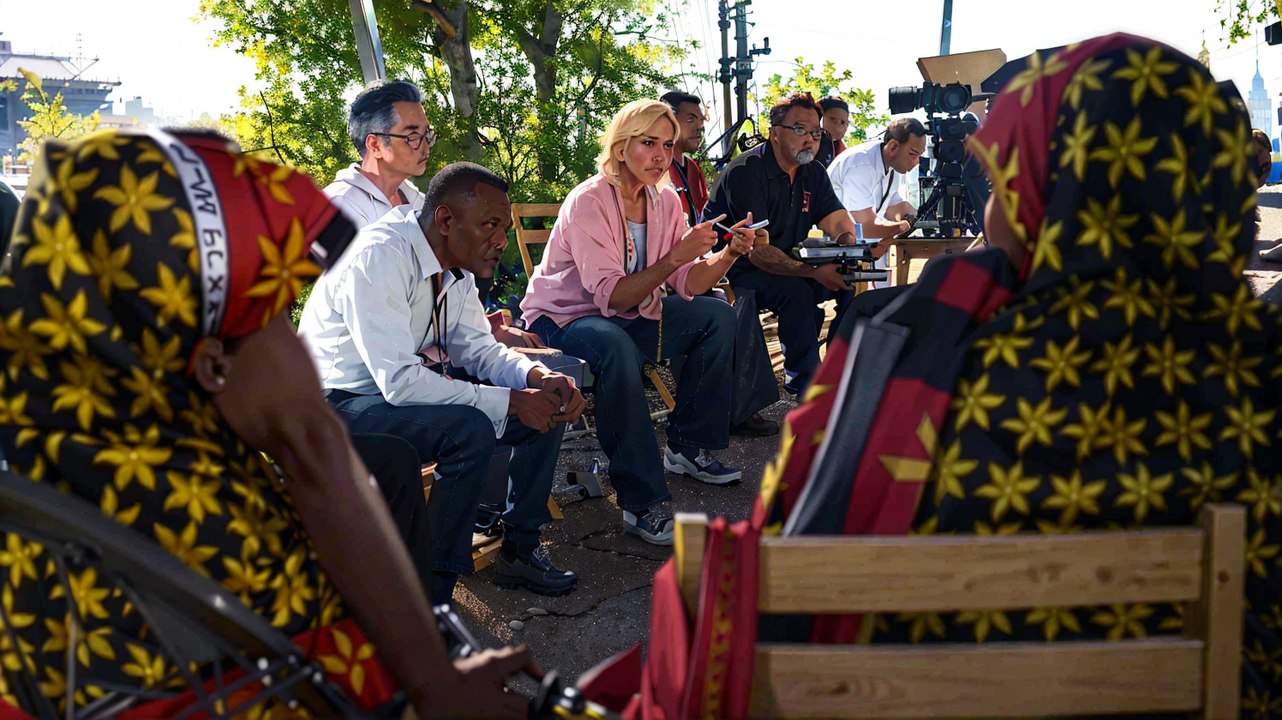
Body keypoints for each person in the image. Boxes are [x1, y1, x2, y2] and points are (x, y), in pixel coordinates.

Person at [612, 34, 1282, 717]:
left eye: (1003, 174)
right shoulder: (1258, 363)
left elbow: (792, 550)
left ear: (1039, 186)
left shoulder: (907, 344)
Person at [0, 128, 537, 718]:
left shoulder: (43, 388)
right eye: (269, 311)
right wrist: (432, 679)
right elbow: (315, 448)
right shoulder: (239, 544)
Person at [299, 161, 586, 599]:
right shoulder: (380, 256)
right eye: (490, 225)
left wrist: (538, 376)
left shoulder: (455, 265)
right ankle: (431, 597)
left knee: (546, 407)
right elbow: (399, 381)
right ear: (447, 220)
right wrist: (512, 400)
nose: (501, 240)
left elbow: (478, 349)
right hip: (333, 404)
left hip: (387, 398)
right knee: (469, 431)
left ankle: (520, 552)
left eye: (503, 227)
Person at [520, 99, 753, 545]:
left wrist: (728, 254)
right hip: (563, 320)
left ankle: (686, 447)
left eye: (667, 145)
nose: (661, 156)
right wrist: (676, 257)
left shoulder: (665, 200)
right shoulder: (589, 200)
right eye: (649, 143)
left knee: (717, 316)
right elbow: (611, 295)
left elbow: (689, 280)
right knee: (613, 345)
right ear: (621, 146)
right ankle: (641, 501)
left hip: (628, 314)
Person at [704, 91, 883, 396]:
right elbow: (758, 252)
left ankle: (838, 372)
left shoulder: (812, 172)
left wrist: (848, 250)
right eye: (800, 129)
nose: (810, 139)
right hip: (734, 266)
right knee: (797, 291)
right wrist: (813, 272)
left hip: (785, 260)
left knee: (847, 283)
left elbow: (837, 221)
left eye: (816, 132)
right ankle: (807, 387)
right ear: (775, 133)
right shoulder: (747, 172)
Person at [327, 79, 433, 227]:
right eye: (413, 136)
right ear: (375, 145)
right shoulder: (339, 209)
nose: (425, 147)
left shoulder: (415, 199)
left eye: (427, 134)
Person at [660, 90, 709, 227]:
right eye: (690, 119)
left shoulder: (693, 167)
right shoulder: (655, 166)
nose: (699, 127)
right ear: (669, 121)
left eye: (701, 120)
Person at [815, 95, 851, 168]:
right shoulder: (806, 138)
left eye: (843, 122)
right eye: (833, 119)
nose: (838, 126)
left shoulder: (843, 155)